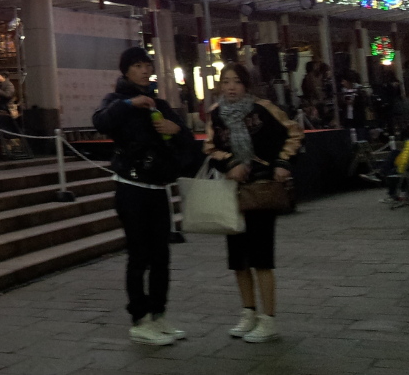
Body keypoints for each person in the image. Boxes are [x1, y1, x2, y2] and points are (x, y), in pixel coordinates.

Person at [92, 46, 196, 346]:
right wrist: (129, 103)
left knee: (161, 256)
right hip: (131, 187)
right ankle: (139, 319)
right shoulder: (116, 101)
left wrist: (175, 129)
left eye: (146, 65)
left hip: (158, 188)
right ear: (126, 71)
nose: (143, 70)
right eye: (137, 65)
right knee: (139, 256)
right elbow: (100, 122)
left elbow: (187, 141)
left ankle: (159, 314)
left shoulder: (159, 103)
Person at [205, 63, 303, 344]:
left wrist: (283, 162)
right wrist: (231, 164)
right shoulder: (216, 115)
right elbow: (210, 148)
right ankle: (248, 312)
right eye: (226, 81)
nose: (231, 86)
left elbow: (293, 133)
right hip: (231, 192)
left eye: (236, 81)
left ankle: (268, 319)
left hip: (260, 190)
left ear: (246, 84)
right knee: (238, 260)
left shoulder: (263, 109)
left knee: (261, 258)